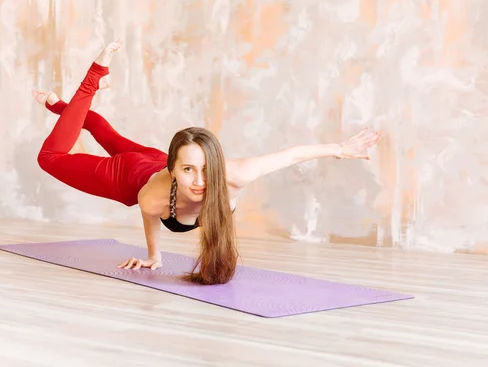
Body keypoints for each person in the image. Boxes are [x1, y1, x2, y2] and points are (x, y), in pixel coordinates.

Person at [34, 40, 382, 285]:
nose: (200, 181)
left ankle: (58, 105)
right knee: (50, 158)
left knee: (106, 135)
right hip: (130, 177)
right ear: (175, 170)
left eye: (205, 169)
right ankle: (95, 76)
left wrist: (339, 148)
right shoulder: (152, 197)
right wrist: (154, 255)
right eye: (188, 171)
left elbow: (290, 155)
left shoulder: (234, 176)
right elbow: (149, 214)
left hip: (157, 159)